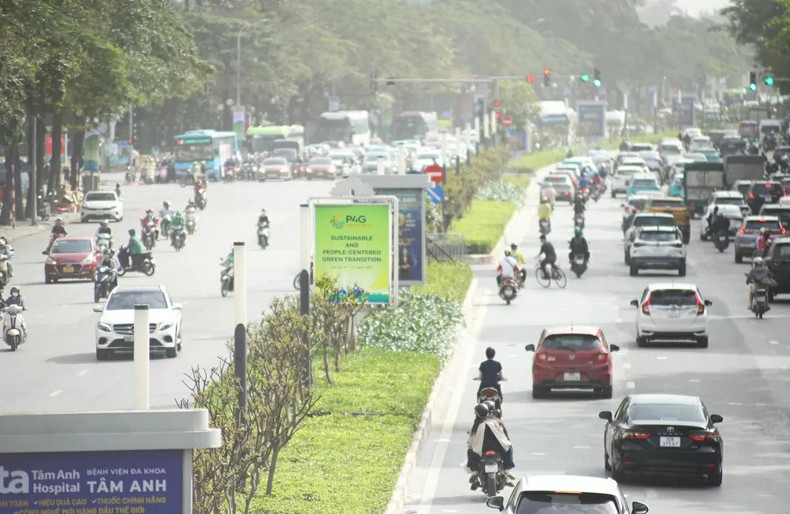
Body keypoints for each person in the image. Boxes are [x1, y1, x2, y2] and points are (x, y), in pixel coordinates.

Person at [465, 403, 515, 489]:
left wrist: (470, 446)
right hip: (498, 448)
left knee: (470, 452)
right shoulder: (496, 421)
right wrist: (507, 441)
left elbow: (471, 439)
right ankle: (507, 471)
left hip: (482, 450)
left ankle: (474, 472)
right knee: (509, 448)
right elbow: (503, 433)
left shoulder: (476, 425)